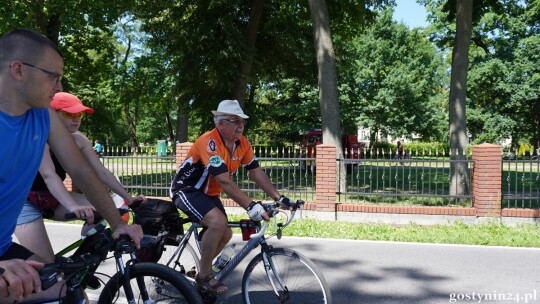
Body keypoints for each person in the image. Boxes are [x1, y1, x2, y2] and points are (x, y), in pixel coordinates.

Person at [0, 28, 142, 302]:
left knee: (66, 291)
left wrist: (117, 223)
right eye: (53, 76)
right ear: (18, 70)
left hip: (4, 249)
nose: (59, 88)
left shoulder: (43, 116)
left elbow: (81, 170)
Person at [170, 99, 290, 295]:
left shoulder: (242, 144)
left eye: (242, 121)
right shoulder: (209, 142)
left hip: (209, 194)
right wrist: (251, 206)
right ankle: (204, 277)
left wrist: (279, 197)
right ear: (220, 123)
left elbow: (256, 172)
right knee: (218, 223)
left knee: (226, 233)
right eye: (235, 121)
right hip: (187, 190)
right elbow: (224, 180)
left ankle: (200, 270)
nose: (240, 126)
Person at [15, 92, 145, 264]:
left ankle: (84, 263)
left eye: (79, 114)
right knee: (44, 264)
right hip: (24, 202)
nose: (75, 119)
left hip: (52, 198)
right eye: (69, 114)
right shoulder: (39, 137)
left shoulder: (79, 140)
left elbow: (101, 172)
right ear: (53, 115)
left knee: (102, 211)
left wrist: (130, 199)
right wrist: (73, 206)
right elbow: (49, 176)